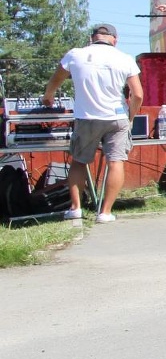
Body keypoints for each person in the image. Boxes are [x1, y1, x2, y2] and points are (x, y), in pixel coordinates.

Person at [41, 23, 143, 224]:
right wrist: (130, 117)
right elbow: (138, 94)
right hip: (117, 117)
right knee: (115, 162)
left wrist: (49, 95)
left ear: (92, 38)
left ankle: (76, 208)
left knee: (79, 161)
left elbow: (56, 78)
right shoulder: (125, 58)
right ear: (115, 39)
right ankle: (105, 212)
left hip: (86, 117)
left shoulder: (75, 54)